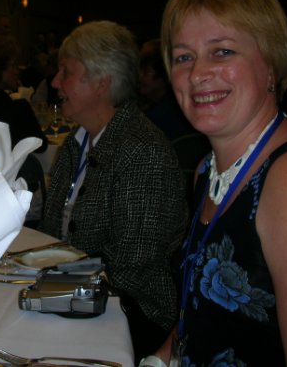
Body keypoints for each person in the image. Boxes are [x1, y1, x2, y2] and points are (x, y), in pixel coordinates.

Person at [140, 0, 287, 367]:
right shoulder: (207, 171)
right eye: (183, 57)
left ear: (271, 64)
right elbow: (202, 313)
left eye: (222, 51)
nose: (197, 73)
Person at [39, 20, 188, 362]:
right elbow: (52, 231)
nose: (55, 82)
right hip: (76, 294)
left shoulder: (142, 151)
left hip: (130, 312)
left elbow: (133, 269)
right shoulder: (76, 142)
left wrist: (50, 294)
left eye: (66, 71)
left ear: (102, 81)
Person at [138, 38, 195, 141]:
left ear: (164, 75)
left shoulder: (166, 115)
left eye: (148, 72)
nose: (141, 77)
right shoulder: (148, 107)